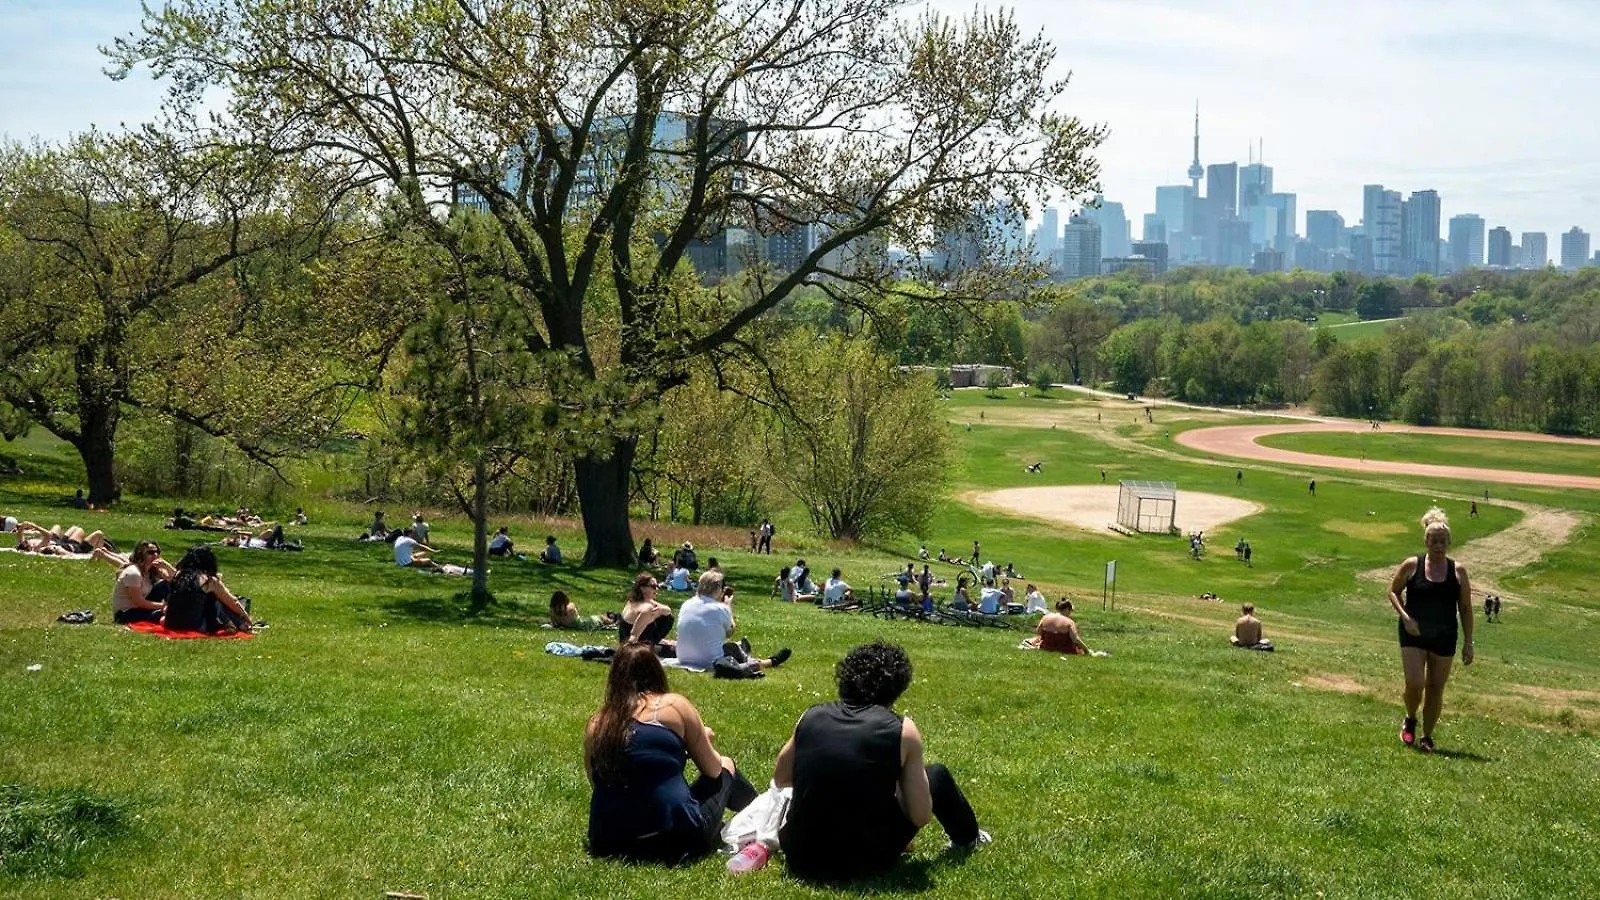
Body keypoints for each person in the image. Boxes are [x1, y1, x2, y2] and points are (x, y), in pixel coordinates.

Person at [774, 641, 988, 882]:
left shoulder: (810, 715)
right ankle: (969, 838)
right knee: (936, 775)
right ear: (898, 686)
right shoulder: (902, 730)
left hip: (800, 855)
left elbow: (781, 778)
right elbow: (920, 815)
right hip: (866, 861)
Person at [584, 643, 758, 863]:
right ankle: (763, 815)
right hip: (673, 839)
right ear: (657, 671)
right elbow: (713, 771)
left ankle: (760, 815)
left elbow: (596, 781)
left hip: (606, 839)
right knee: (726, 765)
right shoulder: (673, 706)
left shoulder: (597, 724)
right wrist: (702, 740)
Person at [1387, 508, 1473, 752]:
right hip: (1413, 633)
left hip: (1444, 636)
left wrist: (1469, 642)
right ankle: (1410, 717)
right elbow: (1393, 591)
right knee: (1415, 683)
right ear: (1425, 541)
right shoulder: (1412, 565)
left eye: (1442, 541)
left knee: (1436, 688)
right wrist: (1406, 618)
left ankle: (1427, 736)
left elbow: (1465, 608)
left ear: (1449, 543)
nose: (1438, 545)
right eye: (1433, 541)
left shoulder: (1458, 572)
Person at [675, 571, 792, 675]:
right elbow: (730, 632)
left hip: (683, 657)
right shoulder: (720, 608)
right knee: (733, 648)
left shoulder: (687, 604)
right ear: (718, 589)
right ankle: (768, 662)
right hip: (710, 661)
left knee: (732, 647)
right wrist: (728, 606)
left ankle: (747, 652)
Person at [162, 545, 254, 633]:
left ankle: (233, 623)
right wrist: (247, 617)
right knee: (215, 598)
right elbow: (233, 602)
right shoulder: (208, 580)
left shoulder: (178, 575)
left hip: (170, 623)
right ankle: (239, 623)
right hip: (196, 626)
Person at [98, 540, 174, 624]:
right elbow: (139, 602)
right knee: (167, 616)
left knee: (164, 584)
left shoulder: (151, 571)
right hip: (126, 614)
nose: (155, 555)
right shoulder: (133, 573)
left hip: (140, 609)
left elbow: (179, 581)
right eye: (151, 552)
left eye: (157, 552)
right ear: (140, 554)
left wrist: (167, 566)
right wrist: (165, 606)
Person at [619, 572, 675, 652]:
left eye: (657, 586)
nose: (656, 589)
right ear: (642, 588)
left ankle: (656, 643)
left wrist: (661, 609)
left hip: (626, 643)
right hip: (638, 650)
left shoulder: (632, 601)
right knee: (676, 650)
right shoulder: (647, 609)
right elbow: (633, 636)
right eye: (653, 586)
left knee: (667, 616)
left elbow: (668, 610)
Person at [1024, 598, 1089, 654]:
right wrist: (1087, 650)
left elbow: (1038, 632)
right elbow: (1075, 639)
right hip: (1064, 649)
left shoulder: (1046, 617)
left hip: (1046, 647)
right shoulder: (1069, 622)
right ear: (1067, 609)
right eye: (1070, 611)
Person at [549, 590, 618, 631]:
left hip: (580, 626)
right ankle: (614, 620)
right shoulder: (570, 607)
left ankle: (612, 617)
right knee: (600, 618)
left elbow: (555, 624)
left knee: (600, 618)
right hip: (584, 625)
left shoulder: (553, 612)